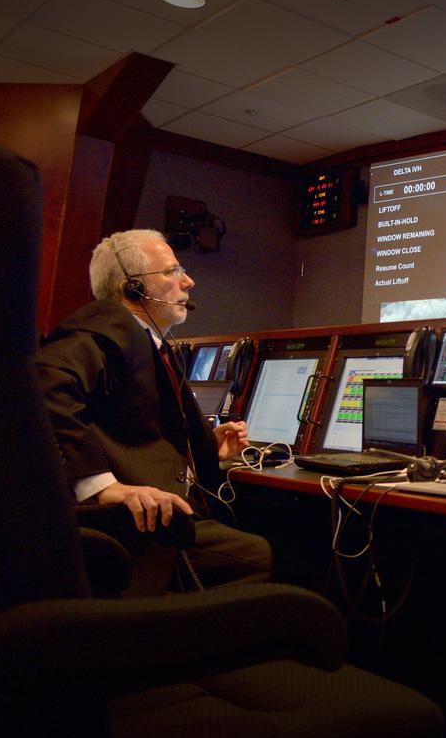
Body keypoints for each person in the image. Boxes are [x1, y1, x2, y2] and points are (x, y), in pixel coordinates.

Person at [36, 229, 271, 594]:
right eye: (171, 271)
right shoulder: (102, 331)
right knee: (260, 554)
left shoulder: (145, 341)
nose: (188, 281)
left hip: (163, 512)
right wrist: (103, 486)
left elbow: (132, 428)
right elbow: (43, 390)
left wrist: (207, 446)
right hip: (141, 526)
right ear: (133, 289)